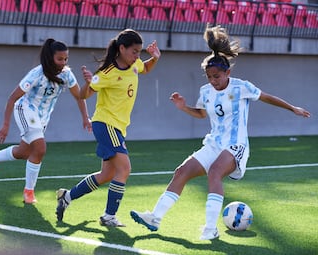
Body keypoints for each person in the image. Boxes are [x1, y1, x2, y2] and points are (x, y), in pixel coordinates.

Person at [130, 25, 311, 240]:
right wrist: (183, 107)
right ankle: (154, 218)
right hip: (214, 144)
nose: (213, 81)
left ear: (227, 73)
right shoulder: (206, 91)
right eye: (209, 77)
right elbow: (202, 114)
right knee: (181, 172)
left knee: (215, 172)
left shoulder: (241, 86)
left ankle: (210, 229)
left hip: (236, 145)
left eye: (216, 76)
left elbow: (267, 97)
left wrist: (293, 108)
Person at [55, 29, 161, 227]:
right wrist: (87, 83)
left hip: (117, 128)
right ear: (121, 48)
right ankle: (109, 216)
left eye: (139, 52)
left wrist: (154, 58)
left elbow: (145, 68)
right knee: (125, 168)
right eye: (134, 51)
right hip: (106, 124)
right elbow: (84, 95)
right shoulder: (106, 73)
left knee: (107, 175)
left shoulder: (134, 64)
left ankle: (66, 197)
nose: (138, 56)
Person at [0, 38, 91, 204]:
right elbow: (12, 98)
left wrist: (85, 117)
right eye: (60, 59)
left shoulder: (66, 74)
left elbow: (79, 96)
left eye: (66, 59)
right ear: (50, 58)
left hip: (42, 118)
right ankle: (29, 192)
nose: (63, 62)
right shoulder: (37, 74)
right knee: (40, 148)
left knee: (24, 152)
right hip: (25, 110)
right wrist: (6, 125)